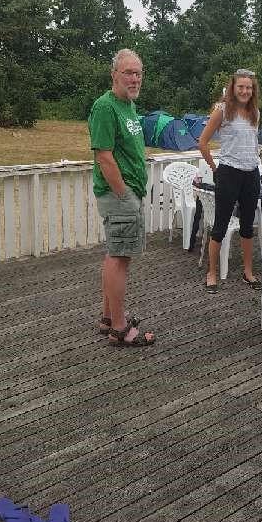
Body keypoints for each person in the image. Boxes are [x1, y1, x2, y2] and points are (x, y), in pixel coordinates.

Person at [88, 48, 155, 346]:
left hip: (129, 194)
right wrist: (124, 194)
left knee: (115, 255)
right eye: (128, 72)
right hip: (119, 196)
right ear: (114, 74)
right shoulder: (105, 107)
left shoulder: (128, 107)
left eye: (138, 73)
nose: (134, 78)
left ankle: (106, 319)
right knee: (119, 258)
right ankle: (118, 327)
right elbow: (103, 155)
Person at [198, 69, 261, 292]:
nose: (245, 91)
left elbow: (252, 144)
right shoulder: (222, 111)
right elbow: (203, 142)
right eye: (240, 87)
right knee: (220, 226)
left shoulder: (255, 113)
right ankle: (212, 273)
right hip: (228, 173)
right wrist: (215, 168)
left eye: (249, 87)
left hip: (251, 174)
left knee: (247, 226)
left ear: (253, 91)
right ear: (233, 88)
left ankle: (248, 272)